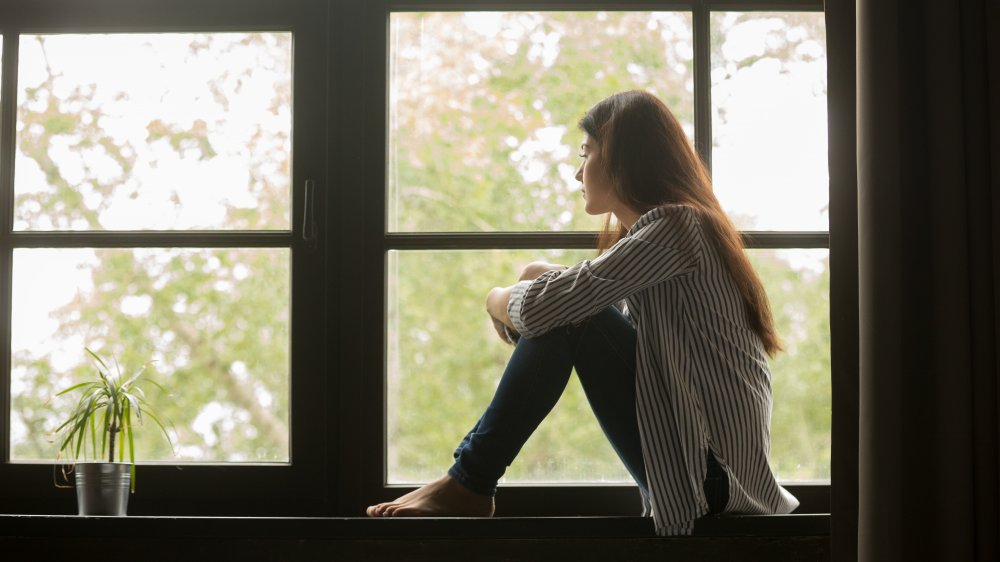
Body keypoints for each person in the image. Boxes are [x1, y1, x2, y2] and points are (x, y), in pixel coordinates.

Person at [366, 90, 799, 535]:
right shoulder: (676, 234)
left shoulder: (677, 226)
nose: (577, 172)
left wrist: (497, 297)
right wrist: (536, 278)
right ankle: (467, 481)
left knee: (571, 312)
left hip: (713, 485)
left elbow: (550, 310)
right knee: (566, 306)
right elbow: (574, 309)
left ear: (624, 158)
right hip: (704, 478)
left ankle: (470, 482)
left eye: (586, 153)